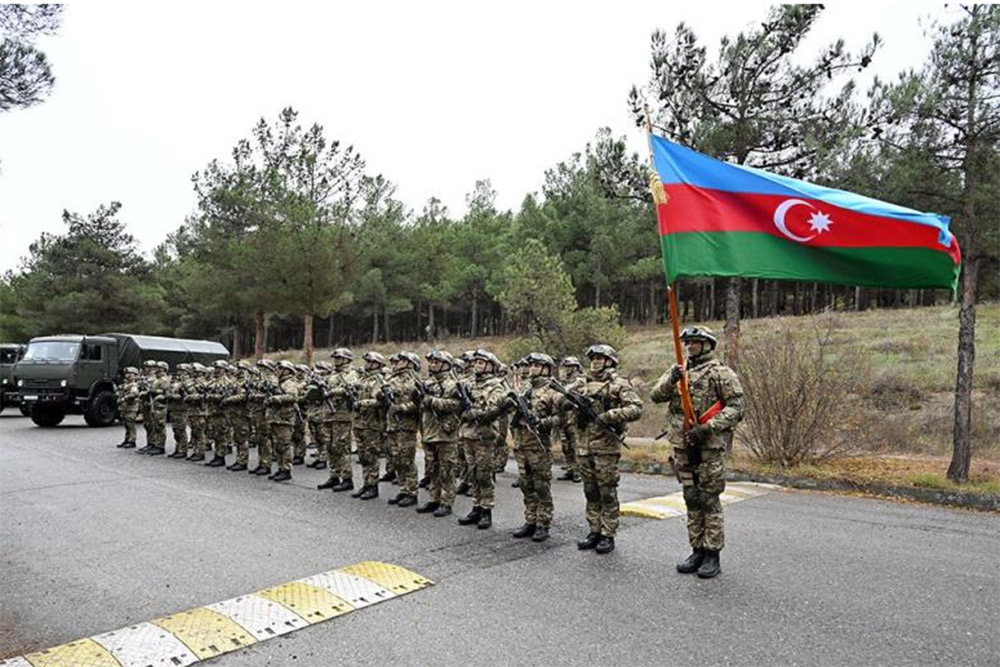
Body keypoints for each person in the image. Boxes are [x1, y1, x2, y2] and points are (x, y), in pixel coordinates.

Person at [650, 325, 744, 579]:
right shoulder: (679, 371)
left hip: (709, 447)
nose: (690, 346)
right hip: (683, 446)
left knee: (709, 500)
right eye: (688, 342)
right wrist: (672, 378)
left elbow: (737, 407)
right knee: (691, 498)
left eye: (695, 342)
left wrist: (708, 428)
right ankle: (697, 549)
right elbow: (655, 396)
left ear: (707, 345)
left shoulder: (720, 373)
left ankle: (712, 554)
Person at [561, 344, 642, 555]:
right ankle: (594, 530)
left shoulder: (618, 384)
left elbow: (636, 408)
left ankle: (608, 534)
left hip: (605, 447)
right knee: (590, 491)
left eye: (599, 357)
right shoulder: (581, 383)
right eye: (593, 358)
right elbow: (561, 401)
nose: (595, 361)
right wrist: (570, 402)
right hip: (583, 446)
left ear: (609, 361)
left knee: (607, 492)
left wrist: (609, 416)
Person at [508, 353, 561, 542]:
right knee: (526, 485)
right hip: (521, 445)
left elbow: (562, 417)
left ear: (546, 369)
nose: (532, 369)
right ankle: (530, 520)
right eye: (531, 365)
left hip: (538, 447)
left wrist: (541, 422)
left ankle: (543, 523)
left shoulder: (552, 391)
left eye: (537, 366)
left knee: (541, 486)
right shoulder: (525, 389)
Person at [456, 349, 507, 529]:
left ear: (490, 366)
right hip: (468, 435)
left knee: (484, 475)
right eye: (475, 362)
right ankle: (476, 507)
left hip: (484, 437)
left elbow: (493, 411)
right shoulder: (469, 383)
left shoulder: (496, 386)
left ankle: (486, 510)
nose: (476, 365)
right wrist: (464, 411)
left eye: (481, 362)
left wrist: (474, 413)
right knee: (473, 473)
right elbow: (458, 407)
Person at [415, 350, 462, 517]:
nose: (432, 365)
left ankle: (446, 502)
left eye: (436, 362)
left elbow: (457, 405)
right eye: (431, 362)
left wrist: (432, 401)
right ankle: (434, 499)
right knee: (432, 469)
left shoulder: (453, 384)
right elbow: (421, 405)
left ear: (446, 365)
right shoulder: (428, 383)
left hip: (445, 433)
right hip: (429, 432)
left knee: (446, 470)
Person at [381, 351, 422, 507]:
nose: (398, 363)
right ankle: (403, 489)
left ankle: (412, 492)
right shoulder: (392, 379)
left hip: (406, 426)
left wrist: (402, 408)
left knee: (406, 460)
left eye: (402, 360)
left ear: (411, 363)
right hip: (392, 425)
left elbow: (419, 403)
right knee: (396, 459)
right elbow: (380, 393)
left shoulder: (415, 381)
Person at [318, 349, 359, 491]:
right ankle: (334, 475)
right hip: (329, 414)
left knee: (341, 447)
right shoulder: (332, 374)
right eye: (335, 358)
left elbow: (350, 388)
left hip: (342, 414)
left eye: (339, 358)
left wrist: (331, 392)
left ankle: (347, 479)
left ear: (346, 359)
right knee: (330, 446)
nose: (336, 360)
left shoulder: (351, 373)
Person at [351, 352, 389, 500]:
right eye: (367, 361)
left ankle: (373, 486)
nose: (367, 364)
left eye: (370, 362)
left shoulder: (379, 380)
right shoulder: (363, 378)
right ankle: (366, 484)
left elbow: (381, 402)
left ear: (377, 364)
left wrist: (362, 403)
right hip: (359, 422)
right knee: (363, 456)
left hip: (371, 423)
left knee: (371, 456)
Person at [266, 360, 302, 482]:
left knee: (285, 445)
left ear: (287, 371)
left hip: (285, 418)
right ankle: (280, 468)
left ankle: (286, 470)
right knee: (277, 445)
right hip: (276, 417)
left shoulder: (289, 383)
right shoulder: (278, 382)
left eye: (280, 369)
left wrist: (277, 398)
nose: (278, 371)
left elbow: (292, 397)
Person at [556, 357, 583, 482]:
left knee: (575, 445)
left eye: (569, 367)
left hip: (575, 418)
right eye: (566, 367)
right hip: (563, 417)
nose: (567, 369)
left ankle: (578, 471)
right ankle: (570, 469)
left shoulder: (580, 381)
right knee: (565, 446)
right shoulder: (563, 382)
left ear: (575, 367)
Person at [166, 364, 191, 458]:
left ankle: (183, 450)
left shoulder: (188, 382)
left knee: (181, 430)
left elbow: (186, 396)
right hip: (174, 408)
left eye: (182, 371)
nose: (180, 372)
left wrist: (173, 396)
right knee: (176, 430)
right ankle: (178, 448)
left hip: (181, 409)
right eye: (179, 370)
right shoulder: (177, 381)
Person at [115, 367, 140, 449]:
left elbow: (134, 393)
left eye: (130, 374)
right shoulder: (125, 384)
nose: (127, 375)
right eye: (127, 374)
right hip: (124, 407)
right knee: (126, 424)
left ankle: (132, 440)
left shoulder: (134, 385)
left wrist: (125, 398)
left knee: (130, 424)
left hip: (131, 407)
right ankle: (127, 439)